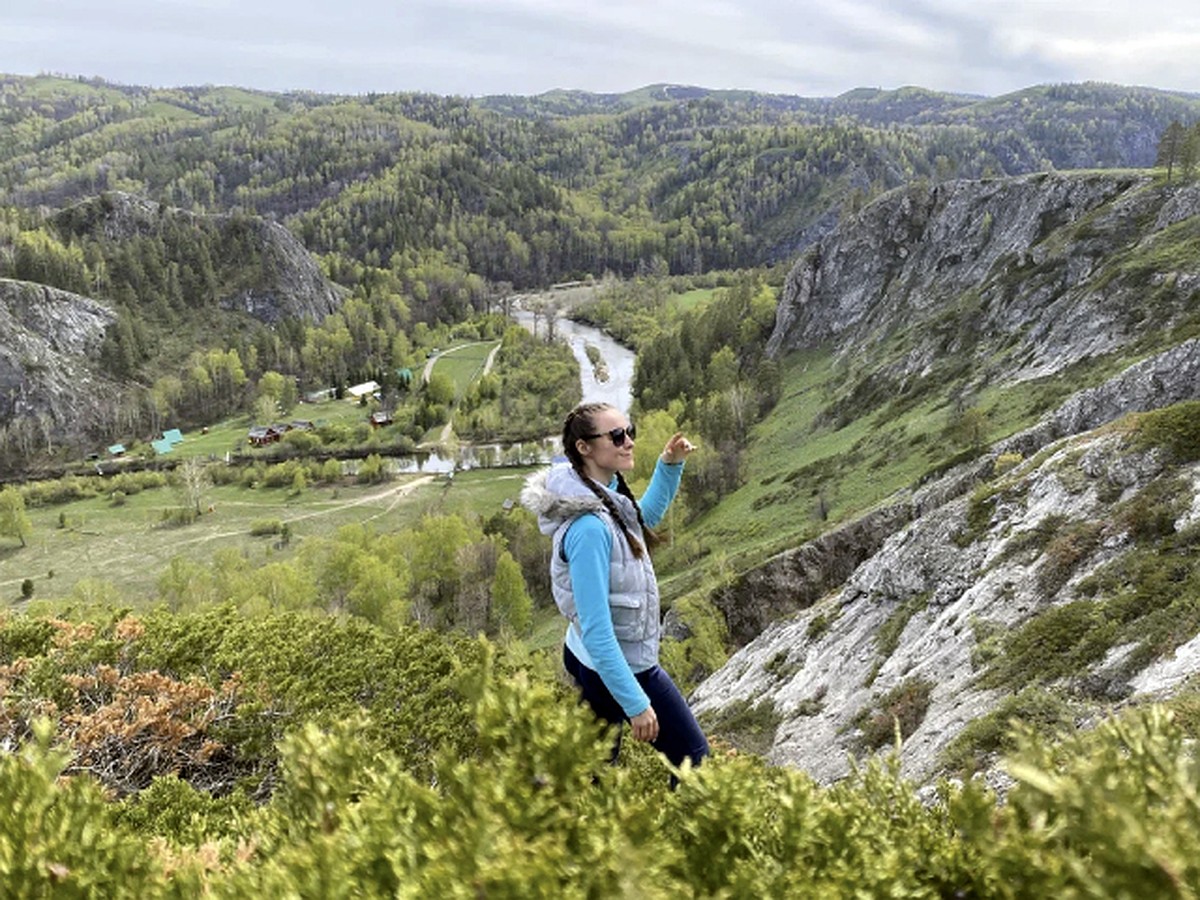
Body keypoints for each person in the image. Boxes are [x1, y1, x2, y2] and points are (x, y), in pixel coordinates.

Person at [521, 401, 709, 779]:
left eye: (630, 432)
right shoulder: (589, 529)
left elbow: (643, 520)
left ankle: (546, 810)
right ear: (584, 448)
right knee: (695, 760)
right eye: (617, 436)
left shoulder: (599, 496)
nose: (629, 442)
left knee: (591, 766)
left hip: (589, 659)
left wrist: (669, 465)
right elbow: (598, 629)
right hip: (619, 664)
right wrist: (637, 703)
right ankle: (686, 837)